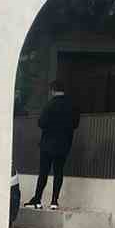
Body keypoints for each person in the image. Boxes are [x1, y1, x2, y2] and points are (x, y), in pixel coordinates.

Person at [24, 80, 80, 208]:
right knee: (58, 172)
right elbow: (75, 124)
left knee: (43, 172)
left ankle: (37, 199)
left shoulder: (49, 105)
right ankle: (54, 201)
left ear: (52, 90)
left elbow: (41, 123)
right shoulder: (72, 105)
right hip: (64, 144)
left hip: (48, 144)